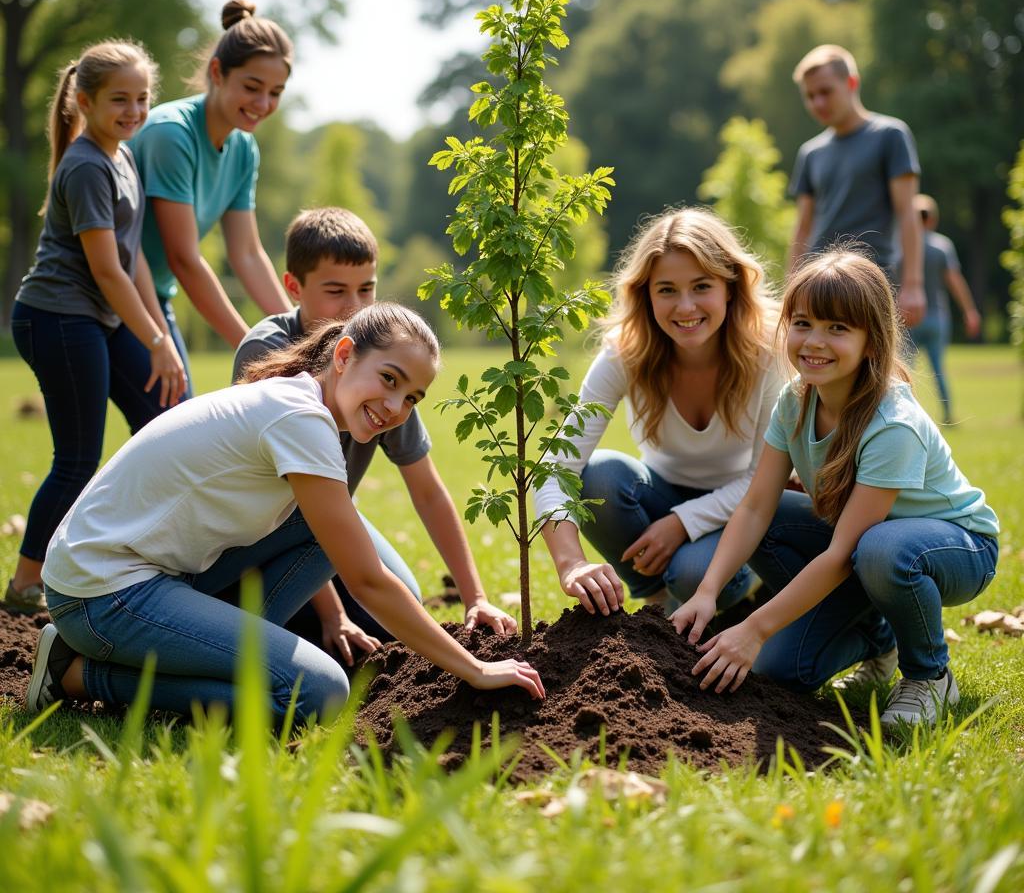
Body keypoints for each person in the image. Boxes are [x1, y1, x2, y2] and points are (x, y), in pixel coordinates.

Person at [26, 304, 545, 723]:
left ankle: (216, 654)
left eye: (412, 397)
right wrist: (473, 668)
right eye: (388, 379)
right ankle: (77, 675)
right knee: (318, 692)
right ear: (344, 355)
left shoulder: (302, 403)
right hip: (101, 593)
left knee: (332, 528)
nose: (396, 407)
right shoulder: (300, 418)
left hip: (150, 574)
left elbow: (342, 545)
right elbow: (367, 580)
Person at [671, 250, 999, 729]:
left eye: (837, 329)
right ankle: (875, 632)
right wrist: (706, 591)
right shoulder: (795, 401)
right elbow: (756, 507)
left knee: (881, 550)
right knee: (778, 669)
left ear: (872, 342)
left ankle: (930, 675)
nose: (814, 342)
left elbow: (845, 551)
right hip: (865, 550)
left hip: (952, 547)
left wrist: (755, 627)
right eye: (802, 323)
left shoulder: (892, 425)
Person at [231, 207, 517, 663]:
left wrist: (475, 596)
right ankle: (246, 618)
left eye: (366, 289)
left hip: (325, 526)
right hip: (266, 531)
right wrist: (334, 614)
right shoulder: (270, 353)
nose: (355, 307)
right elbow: (295, 506)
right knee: (348, 620)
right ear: (293, 288)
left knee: (399, 612)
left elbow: (427, 490)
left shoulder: (383, 363)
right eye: (335, 291)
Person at [6, 41, 186, 615]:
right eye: (119, 100)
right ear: (84, 101)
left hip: (96, 319)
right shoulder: (86, 164)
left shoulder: (121, 156)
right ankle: (25, 585)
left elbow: (132, 259)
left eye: (142, 98)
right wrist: (155, 342)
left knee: (163, 421)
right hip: (58, 318)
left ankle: (140, 558)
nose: (133, 110)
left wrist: (163, 340)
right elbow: (106, 270)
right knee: (77, 459)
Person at [535, 207, 786, 618]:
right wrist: (571, 563)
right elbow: (556, 467)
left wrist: (681, 524)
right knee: (600, 476)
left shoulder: (768, 351)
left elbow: (762, 482)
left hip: (746, 508)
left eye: (701, 286)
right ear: (646, 295)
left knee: (691, 573)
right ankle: (658, 605)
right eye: (666, 289)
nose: (685, 307)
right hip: (659, 494)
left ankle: (752, 582)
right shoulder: (625, 353)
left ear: (730, 286)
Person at [128, 0, 293, 391]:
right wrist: (257, 351)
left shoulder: (243, 149)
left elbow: (248, 254)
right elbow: (183, 258)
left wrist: (299, 336)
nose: (263, 104)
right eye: (252, 87)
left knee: (176, 432)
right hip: (96, 295)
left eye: (276, 92)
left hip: (152, 297)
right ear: (217, 72)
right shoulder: (171, 135)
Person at [789, 44, 925, 328]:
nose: (817, 104)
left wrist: (913, 284)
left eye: (825, 92)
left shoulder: (890, 135)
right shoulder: (810, 153)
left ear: (851, 83)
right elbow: (802, 227)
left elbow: (907, 212)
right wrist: (791, 287)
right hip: (819, 282)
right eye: (810, 96)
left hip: (872, 281)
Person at [908, 195, 982, 426]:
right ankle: (948, 415)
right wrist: (969, 310)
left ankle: (906, 415)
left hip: (906, 317)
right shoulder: (942, 246)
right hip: (936, 318)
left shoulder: (902, 243)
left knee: (903, 371)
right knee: (939, 369)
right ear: (933, 219)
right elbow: (954, 281)